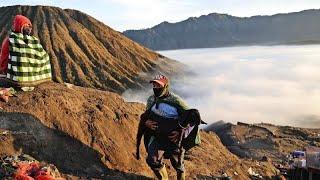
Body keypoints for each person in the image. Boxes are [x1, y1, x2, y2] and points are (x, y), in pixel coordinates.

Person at [143, 74, 190, 180]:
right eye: (154, 86)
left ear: (166, 86)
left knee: (178, 164)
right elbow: (147, 115)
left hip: (173, 139)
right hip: (158, 136)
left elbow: (191, 119)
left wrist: (181, 132)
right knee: (153, 160)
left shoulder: (176, 101)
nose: (155, 88)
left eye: (158, 86)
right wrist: (147, 122)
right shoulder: (151, 100)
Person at [0, 15, 51, 90]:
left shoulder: (10, 40)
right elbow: (44, 56)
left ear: (17, 26)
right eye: (28, 25)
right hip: (34, 77)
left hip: (14, 78)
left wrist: (4, 71)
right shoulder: (33, 41)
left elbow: (3, 61)